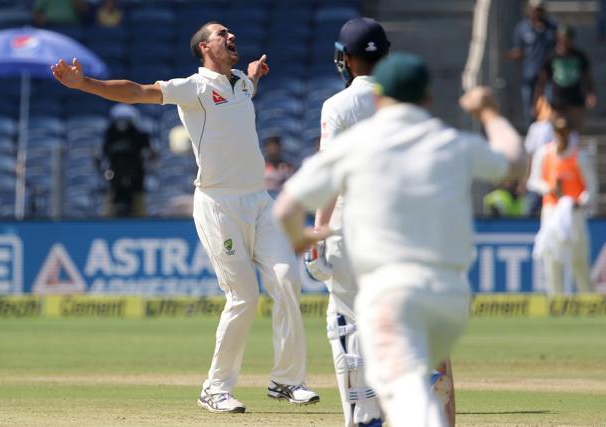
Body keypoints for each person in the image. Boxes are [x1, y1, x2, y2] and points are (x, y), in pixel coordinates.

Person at [51, 21, 318, 414]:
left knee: (288, 280)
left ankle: (286, 381)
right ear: (204, 48)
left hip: (259, 202)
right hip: (217, 204)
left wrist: (256, 75)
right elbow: (136, 91)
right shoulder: (191, 87)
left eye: (232, 33)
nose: (231, 37)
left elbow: (245, 93)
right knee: (243, 296)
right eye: (222, 35)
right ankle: (215, 388)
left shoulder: (242, 82)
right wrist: (84, 84)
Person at [274, 53, 525, 426]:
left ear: (378, 99)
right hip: (450, 298)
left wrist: (304, 237)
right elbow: (516, 162)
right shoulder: (451, 142)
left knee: (400, 391)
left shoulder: (355, 147)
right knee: (412, 373)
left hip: (390, 293)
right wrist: (488, 113)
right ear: (426, 98)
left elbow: (284, 210)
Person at [310, 17, 456, 427]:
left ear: (346, 59)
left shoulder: (338, 106)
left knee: (347, 326)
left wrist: (317, 235)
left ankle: (366, 415)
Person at [528, 116, 596, 294]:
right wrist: (548, 188)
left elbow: (591, 186)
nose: (561, 137)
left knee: (578, 256)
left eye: (564, 133)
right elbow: (533, 180)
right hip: (551, 210)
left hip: (573, 212)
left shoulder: (578, 156)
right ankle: (556, 300)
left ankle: (587, 299)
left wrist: (580, 201)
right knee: (552, 256)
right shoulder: (545, 154)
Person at [534, 24, 598, 133]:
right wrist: (537, 99)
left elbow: (586, 77)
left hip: (576, 101)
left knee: (576, 134)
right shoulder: (551, 56)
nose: (565, 41)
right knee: (558, 134)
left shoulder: (579, 56)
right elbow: (542, 80)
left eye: (568, 38)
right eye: (563, 38)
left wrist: (590, 93)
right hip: (557, 102)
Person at [506, 0, 557, 125]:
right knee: (530, 107)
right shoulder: (522, 28)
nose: (538, 13)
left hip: (549, 74)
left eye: (540, 10)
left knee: (549, 104)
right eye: (535, 10)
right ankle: (532, 132)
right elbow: (519, 50)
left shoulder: (553, 28)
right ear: (530, 11)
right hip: (529, 74)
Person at [101, 103, 154, 217]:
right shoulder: (109, 135)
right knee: (109, 207)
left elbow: (151, 154)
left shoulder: (140, 135)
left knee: (139, 207)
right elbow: (102, 154)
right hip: (114, 179)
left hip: (136, 178)